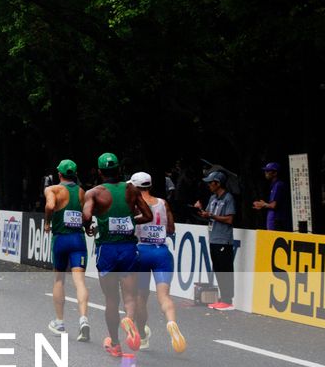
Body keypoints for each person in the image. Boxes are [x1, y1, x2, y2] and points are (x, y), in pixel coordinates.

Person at [82, 152, 145, 355]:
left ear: (100, 172)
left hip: (106, 249)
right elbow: (149, 214)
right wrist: (131, 221)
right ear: (118, 169)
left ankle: (116, 344)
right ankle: (129, 319)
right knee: (130, 296)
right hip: (128, 248)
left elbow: (86, 215)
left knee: (111, 299)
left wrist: (88, 227)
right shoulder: (131, 190)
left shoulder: (94, 193)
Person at [130, 172, 185, 353]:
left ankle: (143, 335)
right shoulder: (162, 203)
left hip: (141, 251)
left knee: (140, 297)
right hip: (161, 252)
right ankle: (171, 322)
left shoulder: (134, 204)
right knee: (164, 295)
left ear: (135, 187)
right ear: (149, 186)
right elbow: (170, 228)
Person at [43, 159, 92, 341]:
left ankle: (60, 322)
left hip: (61, 239)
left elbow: (49, 205)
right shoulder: (81, 192)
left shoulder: (53, 189)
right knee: (80, 281)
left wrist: (48, 222)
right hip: (78, 239)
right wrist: (87, 227)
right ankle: (83, 319)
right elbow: (87, 214)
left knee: (59, 279)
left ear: (59, 174)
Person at [192, 169, 238, 309]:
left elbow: (230, 219)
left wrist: (211, 216)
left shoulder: (228, 198)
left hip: (224, 239)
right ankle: (222, 297)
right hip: (213, 238)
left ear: (217, 183)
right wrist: (200, 211)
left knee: (225, 269)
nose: (208, 185)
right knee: (218, 269)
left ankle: (228, 299)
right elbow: (207, 215)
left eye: (210, 183)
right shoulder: (212, 199)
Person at [253, 161, 290, 231]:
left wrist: (263, 204)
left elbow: (273, 205)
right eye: (265, 171)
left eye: (268, 171)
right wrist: (264, 205)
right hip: (274, 221)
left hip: (276, 221)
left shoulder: (278, 185)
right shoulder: (274, 185)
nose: (265, 173)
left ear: (275, 173)